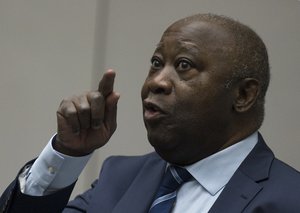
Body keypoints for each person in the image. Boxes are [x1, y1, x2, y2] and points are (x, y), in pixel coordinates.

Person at [1, 13, 300, 213]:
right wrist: (65, 154)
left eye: (184, 65)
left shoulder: (288, 198)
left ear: (244, 95)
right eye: (156, 63)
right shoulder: (119, 178)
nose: (156, 81)